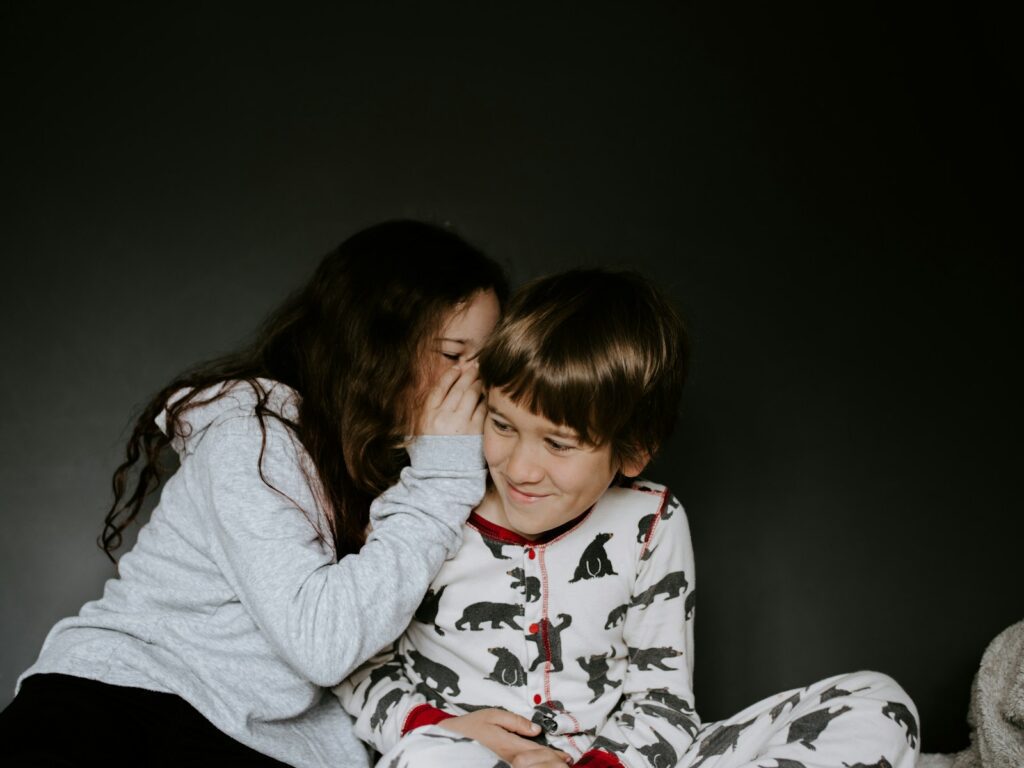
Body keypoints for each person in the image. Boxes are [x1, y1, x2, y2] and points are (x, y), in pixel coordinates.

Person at [336, 269, 921, 768]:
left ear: (632, 450)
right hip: (466, 753)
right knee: (429, 758)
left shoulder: (652, 522)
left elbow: (663, 704)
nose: (520, 467)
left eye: (559, 444)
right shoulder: (426, 506)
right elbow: (357, 667)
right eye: (503, 424)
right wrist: (450, 730)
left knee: (880, 703)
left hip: (607, 760)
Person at [0, 220, 508, 767]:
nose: (472, 383)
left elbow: (389, 647)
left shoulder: (411, 465)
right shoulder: (252, 433)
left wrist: (429, 724)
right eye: (453, 355)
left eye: (487, 362)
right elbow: (324, 643)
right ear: (374, 347)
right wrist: (442, 480)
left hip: (263, 740)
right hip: (130, 704)